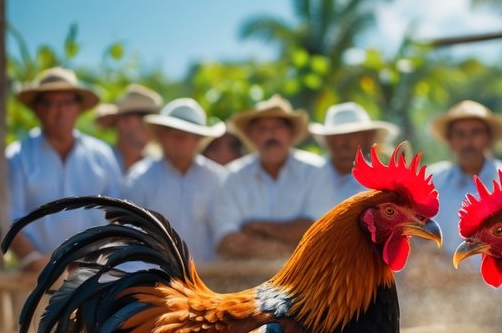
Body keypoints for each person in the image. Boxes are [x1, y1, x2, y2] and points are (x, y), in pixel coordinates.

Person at [5, 67, 119, 274]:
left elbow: (117, 215)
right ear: (37, 109)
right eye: (50, 103)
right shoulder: (17, 156)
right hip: (36, 278)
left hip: (95, 275)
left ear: (78, 108)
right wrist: (34, 260)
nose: (59, 111)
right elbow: (10, 216)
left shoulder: (102, 155)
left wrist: (97, 257)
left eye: (67, 102)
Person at [214, 95, 335, 259]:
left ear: (290, 132)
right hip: (245, 283)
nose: (271, 135)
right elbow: (225, 240)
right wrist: (286, 249)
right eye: (262, 129)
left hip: (305, 282)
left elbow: (319, 229)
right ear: (251, 136)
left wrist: (259, 227)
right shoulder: (232, 176)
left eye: (278, 127)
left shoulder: (317, 171)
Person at [122, 98, 227, 262]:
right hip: (154, 280)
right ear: (162, 136)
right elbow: (127, 235)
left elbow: (224, 232)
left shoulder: (217, 178)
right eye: (172, 132)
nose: (179, 139)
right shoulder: (139, 178)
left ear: (198, 139)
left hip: (208, 280)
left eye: (186, 134)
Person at [427, 100, 502, 252]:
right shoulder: (434, 181)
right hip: (439, 274)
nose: (467, 141)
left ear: (488, 137)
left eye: (475, 132)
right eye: (460, 134)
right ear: (450, 141)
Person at [309, 101, 398, 202]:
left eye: (353, 135)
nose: (344, 142)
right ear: (329, 139)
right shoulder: (308, 174)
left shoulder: (379, 184)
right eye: (338, 135)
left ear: (367, 138)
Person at [94, 83, 163, 174]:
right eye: (144, 115)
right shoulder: (97, 163)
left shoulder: (159, 167)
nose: (151, 125)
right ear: (122, 121)